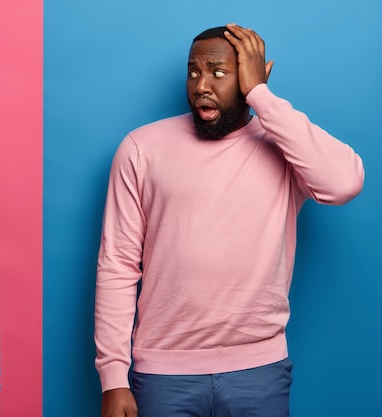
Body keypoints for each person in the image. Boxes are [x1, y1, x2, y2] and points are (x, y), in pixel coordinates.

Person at [94, 23, 364, 417]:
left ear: (254, 75)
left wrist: (262, 97)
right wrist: (113, 378)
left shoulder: (284, 149)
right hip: (163, 373)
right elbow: (117, 264)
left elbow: (344, 183)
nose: (201, 85)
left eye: (219, 73)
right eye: (193, 72)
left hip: (258, 370)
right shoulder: (141, 148)